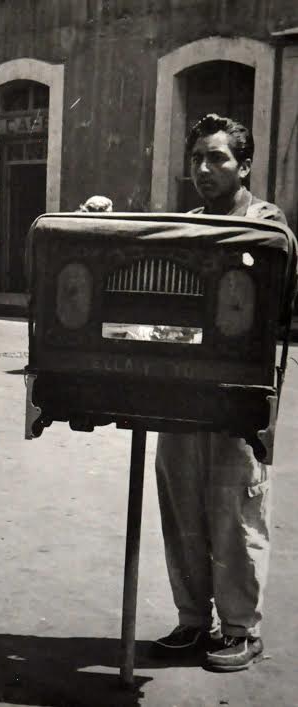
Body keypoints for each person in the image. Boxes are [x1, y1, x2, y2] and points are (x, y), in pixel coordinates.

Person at [151, 113, 289, 672]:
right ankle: (192, 619)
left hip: (237, 397)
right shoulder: (189, 223)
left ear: (245, 165)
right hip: (182, 393)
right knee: (182, 505)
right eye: (197, 159)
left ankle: (240, 629)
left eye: (218, 158)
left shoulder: (266, 223)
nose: (204, 170)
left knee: (234, 512)